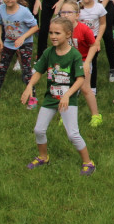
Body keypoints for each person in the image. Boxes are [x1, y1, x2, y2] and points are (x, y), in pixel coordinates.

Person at [21, 16, 93, 173]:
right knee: (39, 130)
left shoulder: (74, 55)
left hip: (68, 101)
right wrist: (29, 86)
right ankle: (43, 157)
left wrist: (67, 95)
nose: (53, 36)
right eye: (51, 32)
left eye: (57, 33)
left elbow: (80, 79)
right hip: (50, 99)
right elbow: (39, 71)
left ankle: (88, 162)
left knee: (73, 134)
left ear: (68, 34)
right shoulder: (48, 53)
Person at [0, 0, 38, 103]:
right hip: (9, 43)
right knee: (2, 68)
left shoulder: (24, 11)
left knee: (26, 70)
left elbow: (35, 27)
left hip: (25, 43)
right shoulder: (1, 9)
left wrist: (23, 38)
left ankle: (32, 97)